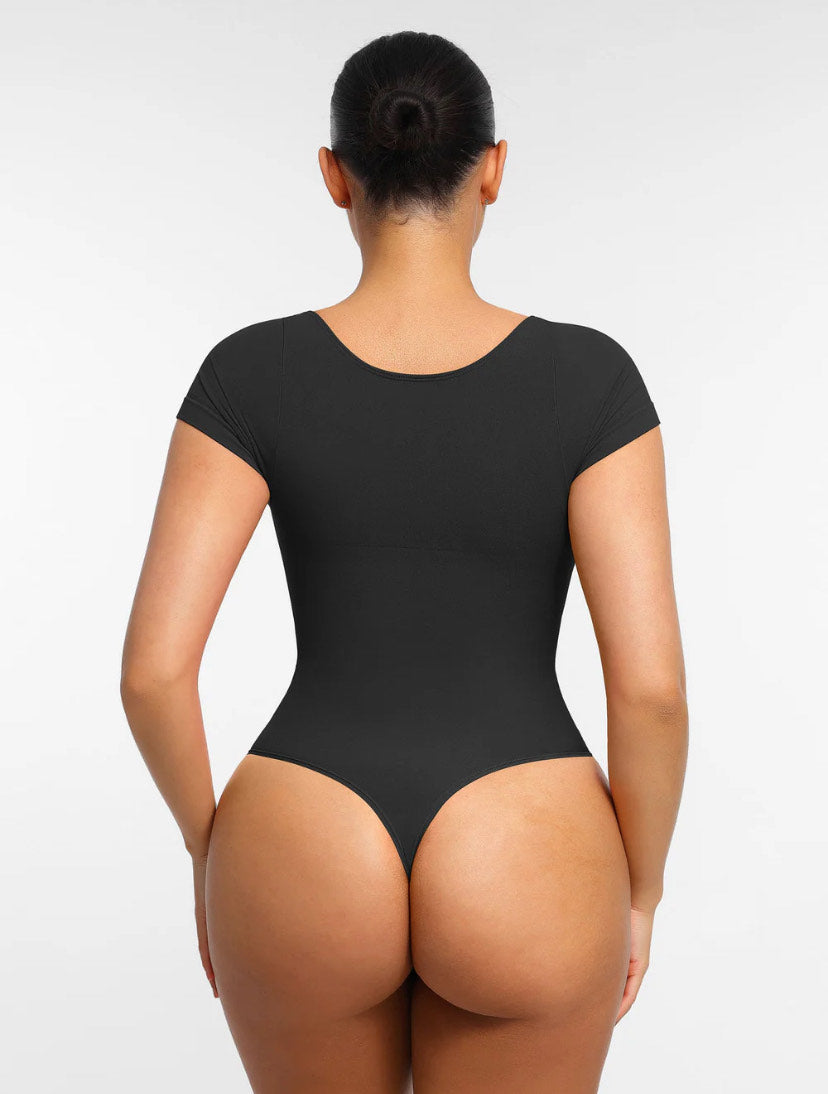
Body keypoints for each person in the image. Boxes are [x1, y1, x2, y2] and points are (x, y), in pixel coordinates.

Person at [121, 29, 688, 1094]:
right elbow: (651, 691)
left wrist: (214, 853)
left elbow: (153, 673)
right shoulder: (593, 380)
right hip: (529, 837)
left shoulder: (248, 374)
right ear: (494, 168)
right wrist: (641, 889)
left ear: (334, 175)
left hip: (303, 832)